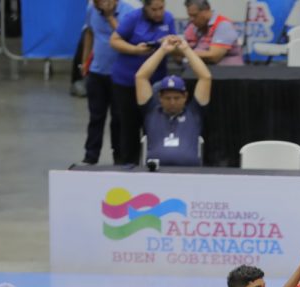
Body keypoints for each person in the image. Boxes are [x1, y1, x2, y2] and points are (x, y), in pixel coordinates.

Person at [110, 0, 176, 165]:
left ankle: (154, 163)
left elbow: (174, 45)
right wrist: (135, 50)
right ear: (145, 7)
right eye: (154, 9)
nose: (158, 13)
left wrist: (170, 44)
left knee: (154, 125)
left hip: (155, 82)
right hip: (127, 81)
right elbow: (115, 40)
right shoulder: (132, 18)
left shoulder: (168, 19)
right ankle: (127, 164)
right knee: (129, 126)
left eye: (161, 8)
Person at [135, 36, 211, 167]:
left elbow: (205, 77)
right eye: (167, 98)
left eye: (177, 98)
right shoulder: (151, 110)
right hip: (155, 174)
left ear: (185, 96)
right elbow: (141, 76)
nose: (172, 102)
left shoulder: (194, 112)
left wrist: (186, 50)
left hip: (190, 174)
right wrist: (162, 50)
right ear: (160, 98)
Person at [82, 0, 134, 165]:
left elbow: (125, 37)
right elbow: (89, 32)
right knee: (96, 117)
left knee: (118, 118)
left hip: (119, 75)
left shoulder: (128, 12)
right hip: (97, 72)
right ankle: (91, 156)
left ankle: (119, 157)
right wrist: (84, 62)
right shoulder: (91, 9)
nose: (99, 6)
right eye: (96, 2)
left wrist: (110, 16)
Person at [183, 0, 243, 66]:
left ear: (206, 11)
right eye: (190, 16)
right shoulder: (196, 26)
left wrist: (185, 52)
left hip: (229, 73)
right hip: (207, 71)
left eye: (194, 15)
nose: (191, 19)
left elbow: (214, 56)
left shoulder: (223, 25)